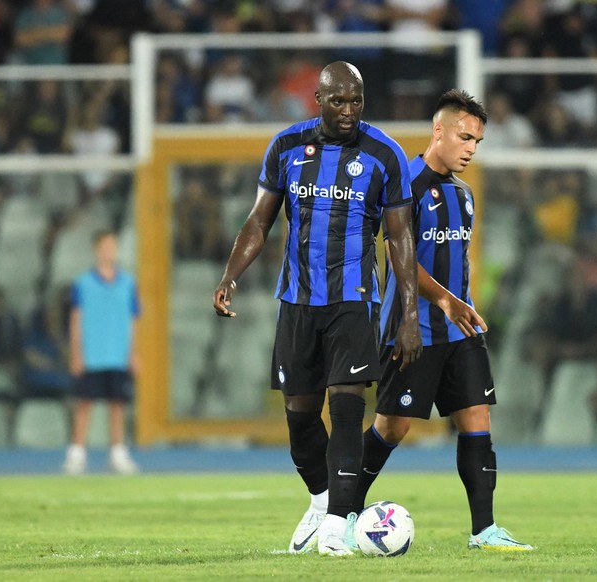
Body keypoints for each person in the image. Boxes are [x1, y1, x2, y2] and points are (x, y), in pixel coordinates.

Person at [212, 61, 422, 556]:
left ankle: (335, 529)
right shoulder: (286, 147)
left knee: (346, 413)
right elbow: (258, 221)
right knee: (299, 421)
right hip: (297, 302)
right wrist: (229, 275)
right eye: (339, 101)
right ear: (319, 101)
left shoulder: (384, 154)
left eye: (356, 101)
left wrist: (409, 314)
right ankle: (322, 498)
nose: (349, 110)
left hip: (353, 301)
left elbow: (399, 239)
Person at [350, 89, 534, 551]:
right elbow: (399, 258)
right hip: (412, 328)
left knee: (477, 418)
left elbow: (455, 260)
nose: (471, 148)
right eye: (464, 136)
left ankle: (484, 531)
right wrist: (447, 301)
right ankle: (343, 511)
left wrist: (460, 304)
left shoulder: (464, 195)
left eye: (477, 141)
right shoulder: (402, 184)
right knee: (394, 426)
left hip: (459, 329)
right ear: (439, 131)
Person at [63, 230, 140, 475]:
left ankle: (117, 453)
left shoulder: (128, 283)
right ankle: (77, 453)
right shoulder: (83, 284)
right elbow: (75, 320)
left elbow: (133, 321)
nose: (109, 250)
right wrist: (76, 353)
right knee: (84, 404)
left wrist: (133, 354)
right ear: (97, 249)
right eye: (104, 246)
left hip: (117, 355)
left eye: (112, 246)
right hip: (92, 355)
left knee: (118, 405)